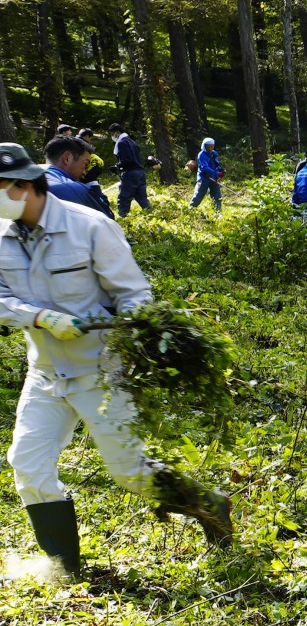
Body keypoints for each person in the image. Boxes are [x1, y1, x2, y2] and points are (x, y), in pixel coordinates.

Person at [0, 142, 232, 576]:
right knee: (27, 465)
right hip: (46, 372)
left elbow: (134, 296)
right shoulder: (2, 238)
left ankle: (211, 505)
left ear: (23, 185)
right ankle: (62, 568)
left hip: (101, 372)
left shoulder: (89, 227)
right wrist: (40, 317)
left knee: (129, 471)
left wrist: (129, 334)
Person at [41, 136, 114, 218]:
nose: (84, 172)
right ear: (67, 158)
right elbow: (107, 217)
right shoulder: (71, 188)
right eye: (85, 164)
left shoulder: (31, 179)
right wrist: (92, 182)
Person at [108, 123, 151, 216]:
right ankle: (151, 213)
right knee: (141, 196)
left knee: (124, 196)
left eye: (112, 134)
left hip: (130, 173)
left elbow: (128, 160)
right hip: (140, 172)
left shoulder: (122, 143)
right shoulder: (132, 142)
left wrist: (118, 166)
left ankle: (122, 217)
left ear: (117, 133)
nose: (112, 136)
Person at [190, 138, 224, 210]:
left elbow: (216, 164)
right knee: (199, 195)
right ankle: (191, 209)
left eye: (212, 146)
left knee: (217, 196)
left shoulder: (214, 154)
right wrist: (217, 173)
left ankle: (217, 212)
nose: (210, 148)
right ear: (204, 146)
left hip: (213, 178)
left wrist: (220, 171)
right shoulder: (201, 155)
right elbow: (204, 168)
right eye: (208, 146)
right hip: (204, 178)